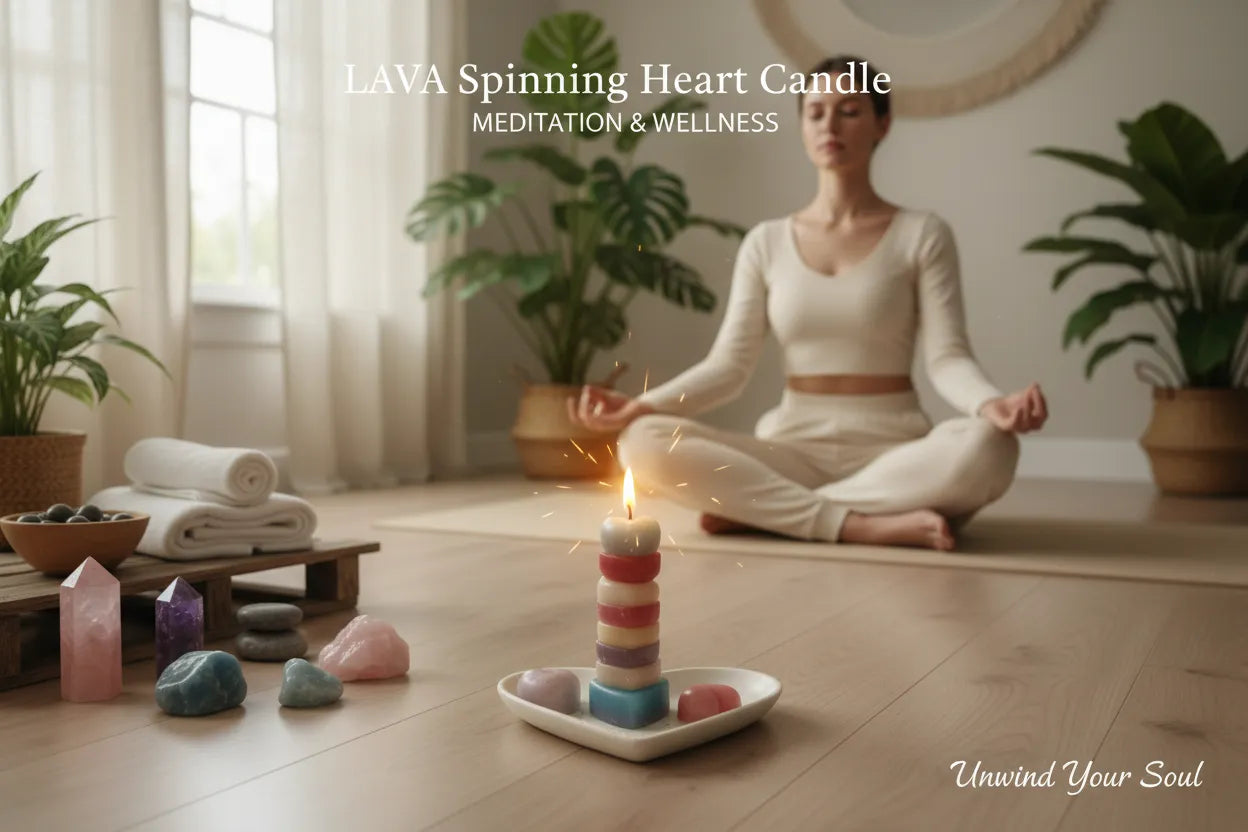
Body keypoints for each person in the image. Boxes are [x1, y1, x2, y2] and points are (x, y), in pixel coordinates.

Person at [567, 55, 1048, 551]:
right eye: (815, 112)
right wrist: (641, 406)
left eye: (850, 111)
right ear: (801, 125)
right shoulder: (766, 242)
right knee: (642, 443)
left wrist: (992, 404)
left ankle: (766, 512)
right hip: (790, 447)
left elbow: (947, 358)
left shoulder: (922, 234)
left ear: (883, 124)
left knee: (990, 448)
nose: (830, 125)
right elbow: (729, 367)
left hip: (894, 452)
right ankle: (858, 523)